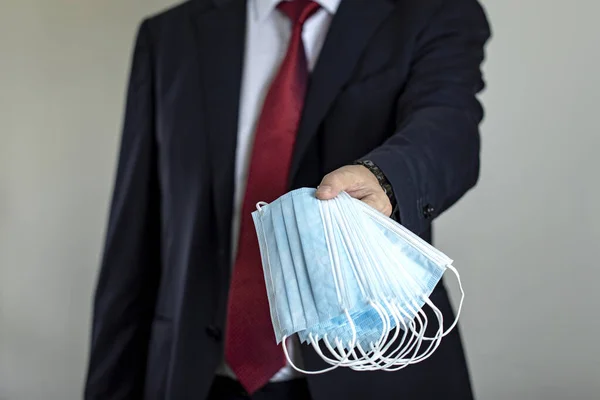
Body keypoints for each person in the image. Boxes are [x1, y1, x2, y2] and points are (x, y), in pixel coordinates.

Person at [84, 0, 490, 399]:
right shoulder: (170, 35)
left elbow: (448, 129)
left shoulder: (432, 11)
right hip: (193, 374)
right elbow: (134, 233)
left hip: (372, 372)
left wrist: (384, 179)